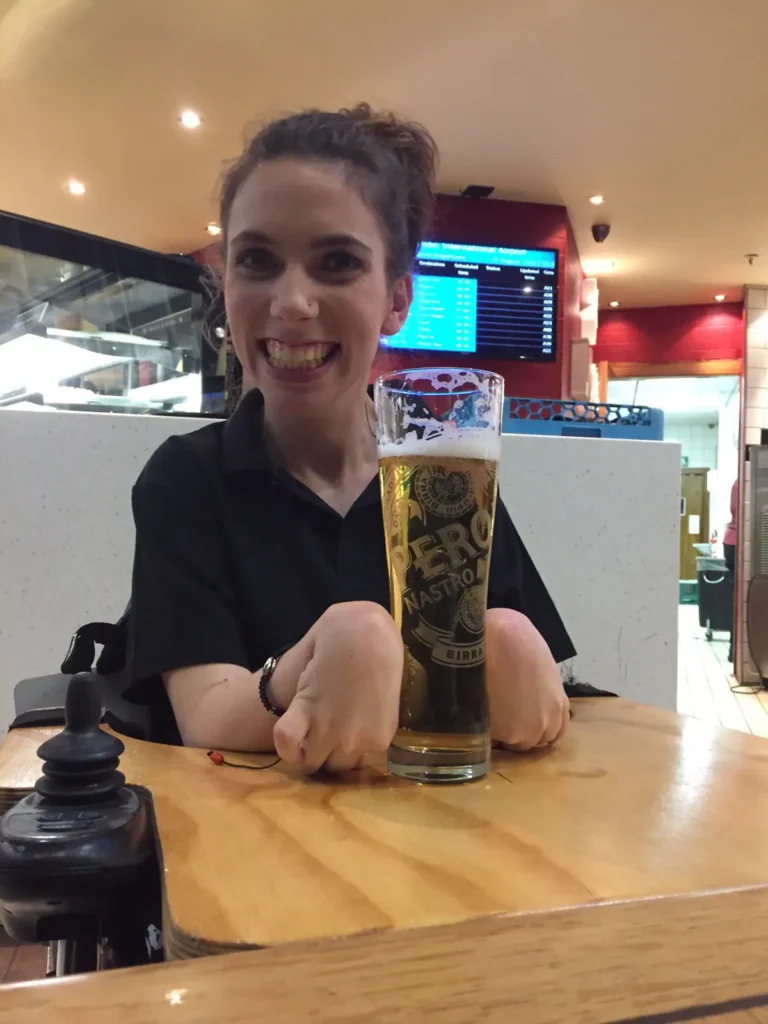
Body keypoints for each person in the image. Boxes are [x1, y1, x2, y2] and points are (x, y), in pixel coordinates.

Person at [127, 104, 573, 773]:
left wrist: (526, 682)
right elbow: (206, 715)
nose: (291, 302)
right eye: (256, 260)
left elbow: (525, 684)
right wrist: (311, 663)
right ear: (225, 282)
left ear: (398, 298)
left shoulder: (446, 472)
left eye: (336, 262)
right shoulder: (186, 478)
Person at [723, 478, 738, 662]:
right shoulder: (744, 481)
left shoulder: (738, 482)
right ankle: (735, 650)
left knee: (737, 597)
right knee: (741, 599)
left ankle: (734, 650)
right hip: (737, 542)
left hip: (732, 541)